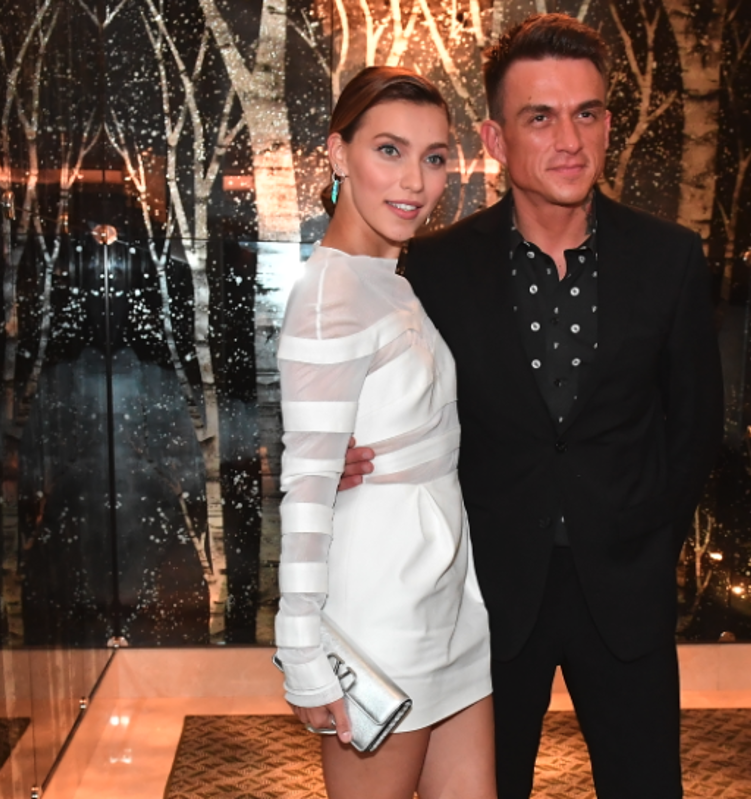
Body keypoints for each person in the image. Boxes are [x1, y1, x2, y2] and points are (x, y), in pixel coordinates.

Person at [342, 14, 724, 799]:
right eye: (540, 117)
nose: (569, 140)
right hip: (485, 596)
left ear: (608, 125)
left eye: (586, 113)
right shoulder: (436, 268)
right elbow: (399, 405)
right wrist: (346, 453)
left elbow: (694, 425)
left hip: (625, 592)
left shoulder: (670, 259)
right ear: (496, 138)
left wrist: (648, 538)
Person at [273, 66, 496, 799]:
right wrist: (300, 646)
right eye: (389, 150)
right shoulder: (330, 295)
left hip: (445, 589)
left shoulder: (388, 277)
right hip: (382, 604)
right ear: (338, 153)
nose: (415, 182)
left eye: (434, 157)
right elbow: (306, 492)